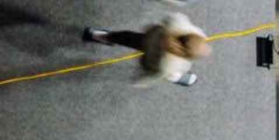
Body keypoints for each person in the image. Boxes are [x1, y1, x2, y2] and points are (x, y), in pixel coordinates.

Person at [82, 13, 211, 87]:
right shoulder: (173, 64)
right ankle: (176, 77)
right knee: (170, 74)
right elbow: (156, 75)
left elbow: (171, 17)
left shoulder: (180, 25)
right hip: (154, 59)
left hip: (150, 38)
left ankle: (100, 36)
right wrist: (141, 82)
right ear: (187, 56)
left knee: (126, 37)